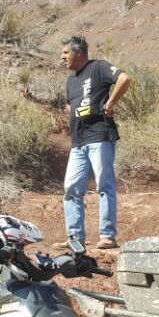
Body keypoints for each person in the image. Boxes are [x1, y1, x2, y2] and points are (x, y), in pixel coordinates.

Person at [59, 36, 132, 250]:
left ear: (78, 52)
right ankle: (75, 238)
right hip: (78, 141)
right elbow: (71, 106)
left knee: (104, 186)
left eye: (66, 52)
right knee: (71, 188)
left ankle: (107, 236)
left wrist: (110, 102)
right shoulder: (71, 80)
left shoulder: (98, 67)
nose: (62, 57)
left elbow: (125, 78)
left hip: (100, 136)